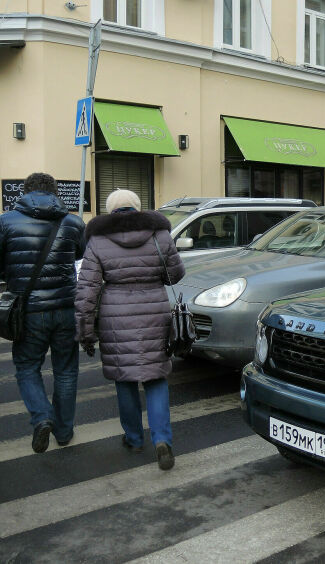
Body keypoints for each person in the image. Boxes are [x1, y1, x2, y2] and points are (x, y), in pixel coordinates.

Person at [75, 190, 185, 470]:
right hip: (154, 312)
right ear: (138, 207)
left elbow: (86, 291)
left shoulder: (97, 240)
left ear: (110, 210)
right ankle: (163, 441)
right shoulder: (159, 234)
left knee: (124, 378)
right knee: (156, 378)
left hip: (115, 317)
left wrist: (86, 330)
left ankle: (134, 439)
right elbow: (175, 275)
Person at [0, 172, 85, 453]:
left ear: (25, 192)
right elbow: (77, 255)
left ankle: (41, 417)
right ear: (55, 192)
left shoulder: (6, 221)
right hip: (65, 308)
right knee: (66, 370)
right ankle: (63, 431)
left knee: (26, 367)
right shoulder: (73, 221)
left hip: (28, 311)